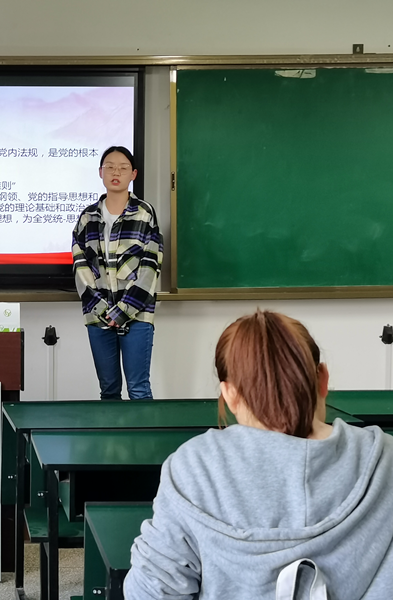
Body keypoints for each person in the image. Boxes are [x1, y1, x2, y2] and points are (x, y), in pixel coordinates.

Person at [124, 310, 393, 599]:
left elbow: (151, 591)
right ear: (323, 379)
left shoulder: (194, 468)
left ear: (229, 394)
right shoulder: (385, 459)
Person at [72, 146, 163, 400]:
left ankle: (143, 431)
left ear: (133, 174)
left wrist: (123, 311)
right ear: (100, 172)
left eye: (123, 168)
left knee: (138, 389)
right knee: (109, 390)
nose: (116, 172)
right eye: (110, 167)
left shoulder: (145, 213)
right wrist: (103, 310)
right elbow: (80, 266)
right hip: (98, 315)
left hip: (138, 314)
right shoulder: (87, 218)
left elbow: (151, 266)